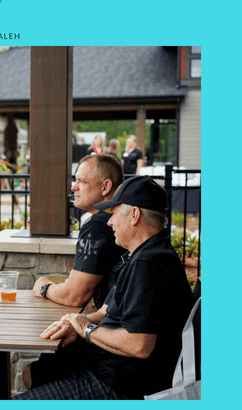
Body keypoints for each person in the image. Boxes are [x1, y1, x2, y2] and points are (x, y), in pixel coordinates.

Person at [16, 176, 192, 400]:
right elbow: (108, 311)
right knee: (34, 372)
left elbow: (140, 345)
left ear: (135, 215)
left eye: (115, 214)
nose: (109, 223)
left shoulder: (148, 264)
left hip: (120, 384)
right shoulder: (147, 253)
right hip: (108, 367)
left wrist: (87, 330)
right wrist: (76, 324)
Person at [33, 154, 126, 310]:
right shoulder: (122, 215)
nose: (73, 187)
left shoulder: (99, 225)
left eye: (82, 181)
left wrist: (44, 288)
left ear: (106, 187)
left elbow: (75, 296)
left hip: (120, 327)